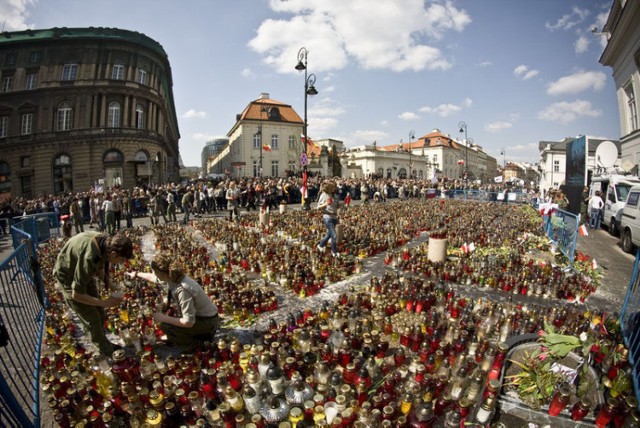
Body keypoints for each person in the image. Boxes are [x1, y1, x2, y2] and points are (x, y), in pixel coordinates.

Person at [54, 231, 134, 356]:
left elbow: (99, 267)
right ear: (113, 254)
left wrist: (112, 286)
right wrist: (105, 303)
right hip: (67, 274)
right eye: (122, 259)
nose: (122, 262)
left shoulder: (105, 244)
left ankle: (102, 341)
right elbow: (77, 295)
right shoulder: (90, 256)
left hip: (81, 270)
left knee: (100, 312)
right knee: (91, 317)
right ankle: (105, 350)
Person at [126, 252, 219, 353]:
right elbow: (153, 278)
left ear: (162, 274)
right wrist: (135, 274)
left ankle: (199, 344)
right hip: (203, 317)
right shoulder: (173, 276)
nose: (155, 274)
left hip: (208, 322)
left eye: (155, 272)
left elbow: (188, 322)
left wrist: (163, 318)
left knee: (166, 326)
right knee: (168, 320)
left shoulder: (182, 289)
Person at [316, 181, 341, 257]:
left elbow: (337, 206)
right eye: (333, 186)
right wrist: (325, 204)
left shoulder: (335, 196)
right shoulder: (324, 195)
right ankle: (334, 252)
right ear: (329, 187)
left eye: (335, 186)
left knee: (329, 234)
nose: (335, 188)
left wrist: (341, 205)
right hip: (327, 217)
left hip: (334, 217)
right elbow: (318, 207)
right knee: (334, 235)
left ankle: (320, 245)